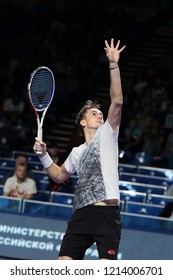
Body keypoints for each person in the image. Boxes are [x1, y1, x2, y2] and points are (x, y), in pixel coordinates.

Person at [33, 38, 126, 260]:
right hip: (81, 215)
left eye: (100, 114)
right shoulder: (77, 151)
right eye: (94, 113)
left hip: (107, 215)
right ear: (83, 122)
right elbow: (58, 175)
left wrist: (113, 65)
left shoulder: (108, 134)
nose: (100, 115)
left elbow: (118, 101)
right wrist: (44, 155)